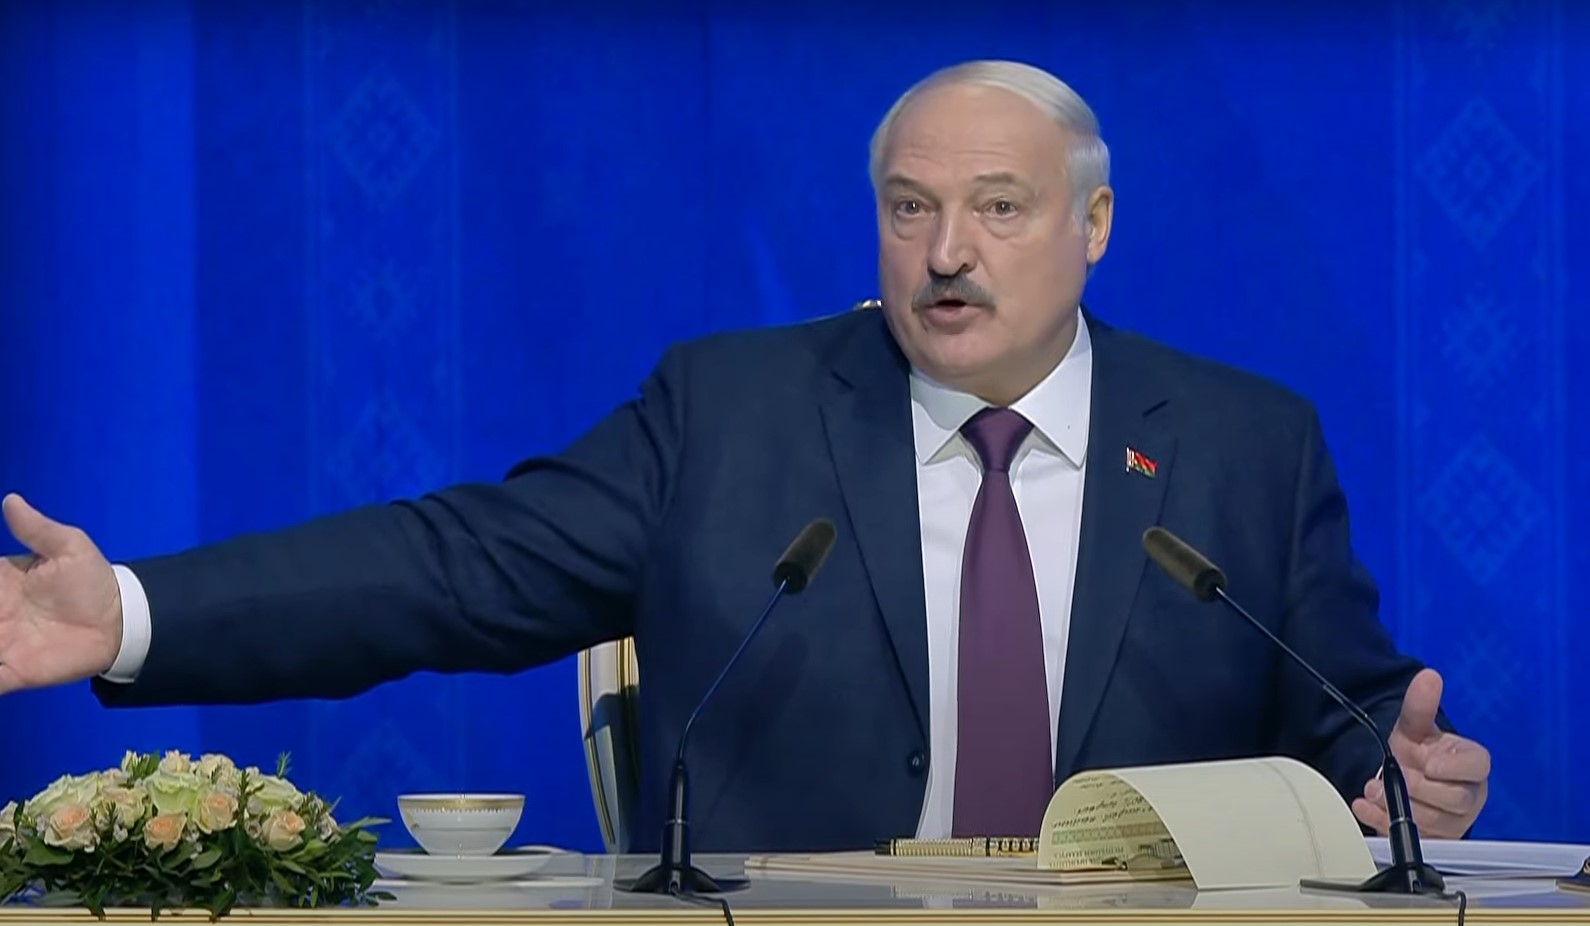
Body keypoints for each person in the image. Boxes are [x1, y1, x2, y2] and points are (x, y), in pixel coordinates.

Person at [0, 59, 1489, 852]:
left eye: (999, 207)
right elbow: (452, 567)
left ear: (1092, 226)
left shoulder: (1243, 439)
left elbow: (1339, 712)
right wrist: (124, 610)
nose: (947, 252)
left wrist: (1394, 772)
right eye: (909, 209)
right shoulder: (731, 412)